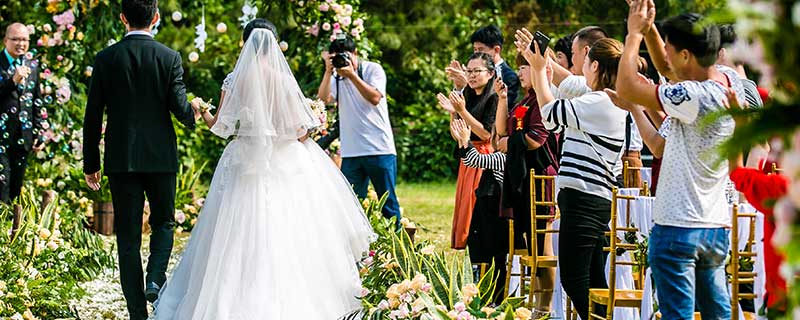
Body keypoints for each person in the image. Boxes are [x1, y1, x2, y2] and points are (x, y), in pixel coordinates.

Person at [153, 21, 375, 319]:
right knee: (289, 229)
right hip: (283, 162)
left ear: (245, 44)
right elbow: (299, 132)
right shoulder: (282, 80)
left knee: (234, 233)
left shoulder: (234, 80)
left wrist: (200, 108)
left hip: (243, 159)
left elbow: (220, 126)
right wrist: (314, 120)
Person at [616, 1, 746, 318]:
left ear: (686, 55)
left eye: (672, 50)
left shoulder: (693, 97)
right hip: (714, 227)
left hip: (678, 227)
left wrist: (633, 35)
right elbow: (666, 67)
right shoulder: (729, 84)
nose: (667, 58)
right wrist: (650, 29)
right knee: (717, 314)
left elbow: (626, 87)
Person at [82, 1, 197, 319]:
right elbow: (180, 109)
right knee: (163, 222)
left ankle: (137, 313)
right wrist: (193, 112)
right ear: (156, 18)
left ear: (122, 18)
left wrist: (91, 162)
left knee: (128, 236)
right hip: (161, 159)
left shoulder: (106, 59)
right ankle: (155, 278)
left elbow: (93, 117)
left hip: (121, 161)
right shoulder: (169, 57)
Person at [517, 28, 630, 320]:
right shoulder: (605, 96)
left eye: (586, 60)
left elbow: (551, 116)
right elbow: (568, 83)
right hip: (592, 199)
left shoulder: (600, 103)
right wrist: (539, 59)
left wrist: (539, 70)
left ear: (595, 66)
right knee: (593, 280)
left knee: (574, 277)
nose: (580, 66)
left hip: (584, 199)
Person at [495, 52, 560, 317]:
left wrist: (507, 145)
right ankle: (534, 302)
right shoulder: (524, 101)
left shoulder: (544, 102)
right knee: (529, 245)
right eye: (521, 67)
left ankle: (545, 306)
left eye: (525, 67)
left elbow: (535, 139)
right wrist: (501, 100)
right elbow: (502, 130)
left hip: (540, 178)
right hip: (522, 178)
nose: (520, 72)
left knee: (542, 245)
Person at [316, 34, 401, 223]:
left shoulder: (372, 69)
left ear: (355, 53)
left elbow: (375, 98)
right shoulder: (336, 76)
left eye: (345, 56)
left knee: (388, 204)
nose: (343, 62)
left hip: (379, 148)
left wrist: (352, 76)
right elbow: (323, 100)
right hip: (351, 151)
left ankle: (398, 248)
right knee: (351, 204)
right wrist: (328, 71)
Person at [437, 52, 499, 249]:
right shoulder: (469, 96)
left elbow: (485, 134)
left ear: (490, 73)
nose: (471, 76)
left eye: (477, 71)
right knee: (465, 208)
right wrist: (454, 112)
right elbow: (457, 134)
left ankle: (480, 257)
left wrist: (461, 111)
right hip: (467, 155)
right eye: (469, 71)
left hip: (483, 159)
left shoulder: (494, 97)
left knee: (476, 208)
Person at [450, 119, 508, 304]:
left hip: (496, 221)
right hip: (485, 216)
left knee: (495, 260)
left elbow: (474, 160)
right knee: (481, 254)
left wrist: (466, 140)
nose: (494, 140)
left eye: (498, 136)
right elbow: (469, 159)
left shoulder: (503, 158)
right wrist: (462, 141)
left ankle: (495, 297)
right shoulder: (498, 156)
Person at [0, 22, 47, 203]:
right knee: (1, 188)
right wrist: (13, 80)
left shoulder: (32, 66)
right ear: (6, 41)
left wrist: (38, 132)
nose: (21, 43)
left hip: (23, 137)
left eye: (24, 39)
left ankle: (13, 229)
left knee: (16, 189)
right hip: (1, 137)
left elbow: (36, 101)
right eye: (16, 39)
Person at [447, 25, 520, 109]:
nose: (476, 54)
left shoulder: (509, 77)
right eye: (475, 49)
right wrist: (459, 88)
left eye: (481, 49)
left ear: (496, 50)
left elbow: (501, 111)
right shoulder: (471, 73)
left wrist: (468, 83)